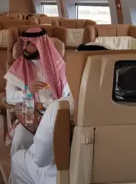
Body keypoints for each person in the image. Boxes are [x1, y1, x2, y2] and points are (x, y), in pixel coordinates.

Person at [9, 42, 110, 184]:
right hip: (113, 175)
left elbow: (40, 158)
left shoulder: (60, 107)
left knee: (18, 159)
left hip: (64, 178)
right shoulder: (134, 109)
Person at [4, 27, 70, 156]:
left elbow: (67, 95)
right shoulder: (18, 67)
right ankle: (17, 173)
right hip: (30, 115)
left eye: (29, 43)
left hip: (53, 114)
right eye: (24, 43)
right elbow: (9, 97)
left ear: (40, 45)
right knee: (20, 140)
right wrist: (28, 91)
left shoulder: (59, 66)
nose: (24, 47)